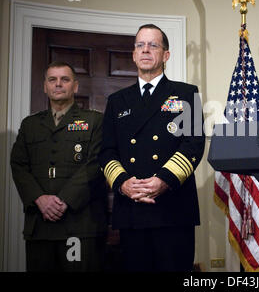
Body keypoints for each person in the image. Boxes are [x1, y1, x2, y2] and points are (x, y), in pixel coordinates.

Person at [98, 24, 205, 272]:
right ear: (134, 54)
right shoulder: (117, 101)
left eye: (153, 45)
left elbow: (193, 144)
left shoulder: (186, 94)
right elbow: (106, 151)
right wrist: (123, 183)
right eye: (140, 45)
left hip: (173, 208)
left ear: (165, 55)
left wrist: (163, 180)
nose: (146, 50)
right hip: (132, 208)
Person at [10, 61, 108, 272]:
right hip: (40, 225)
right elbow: (18, 164)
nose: (58, 84)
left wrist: (64, 200)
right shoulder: (30, 125)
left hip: (81, 225)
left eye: (65, 79)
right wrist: (39, 198)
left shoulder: (94, 121)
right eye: (52, 80)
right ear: (45, 86)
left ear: (75, 86)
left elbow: (96, 164)